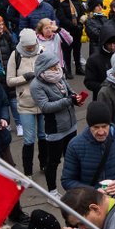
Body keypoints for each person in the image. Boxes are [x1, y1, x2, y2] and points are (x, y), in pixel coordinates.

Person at [61, 101, 115, 198]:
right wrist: (92, 192)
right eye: (96, 127)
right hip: (90, 202)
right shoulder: (75, 145)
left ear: (110, 124)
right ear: (89, 126)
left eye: (104, 126)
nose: (101, 132)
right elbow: (67, 181)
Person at [30, 51, 79, 197]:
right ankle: (52, 192)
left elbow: (70, 92)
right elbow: (45, 107)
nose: (57, 68)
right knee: (53, 162)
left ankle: (73, 187)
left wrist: (76, 98)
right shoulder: (36, 85)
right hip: (56, 129)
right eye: (53, 66)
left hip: (71, 125)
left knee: (72, 158)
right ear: (45, 68)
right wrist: (68, 101)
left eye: (57, 64)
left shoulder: (59, 76)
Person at [6, 29, 46, 176]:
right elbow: (9, 81)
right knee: (29, 139)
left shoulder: (42, 51)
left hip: (43, 101)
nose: (31, 49)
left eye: (33, 45)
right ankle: (28, 173)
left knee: (43, 136)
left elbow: (54, 71)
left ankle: (44, 165)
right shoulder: (15, 55)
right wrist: (25, 77)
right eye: (28, 47)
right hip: (25, 103)